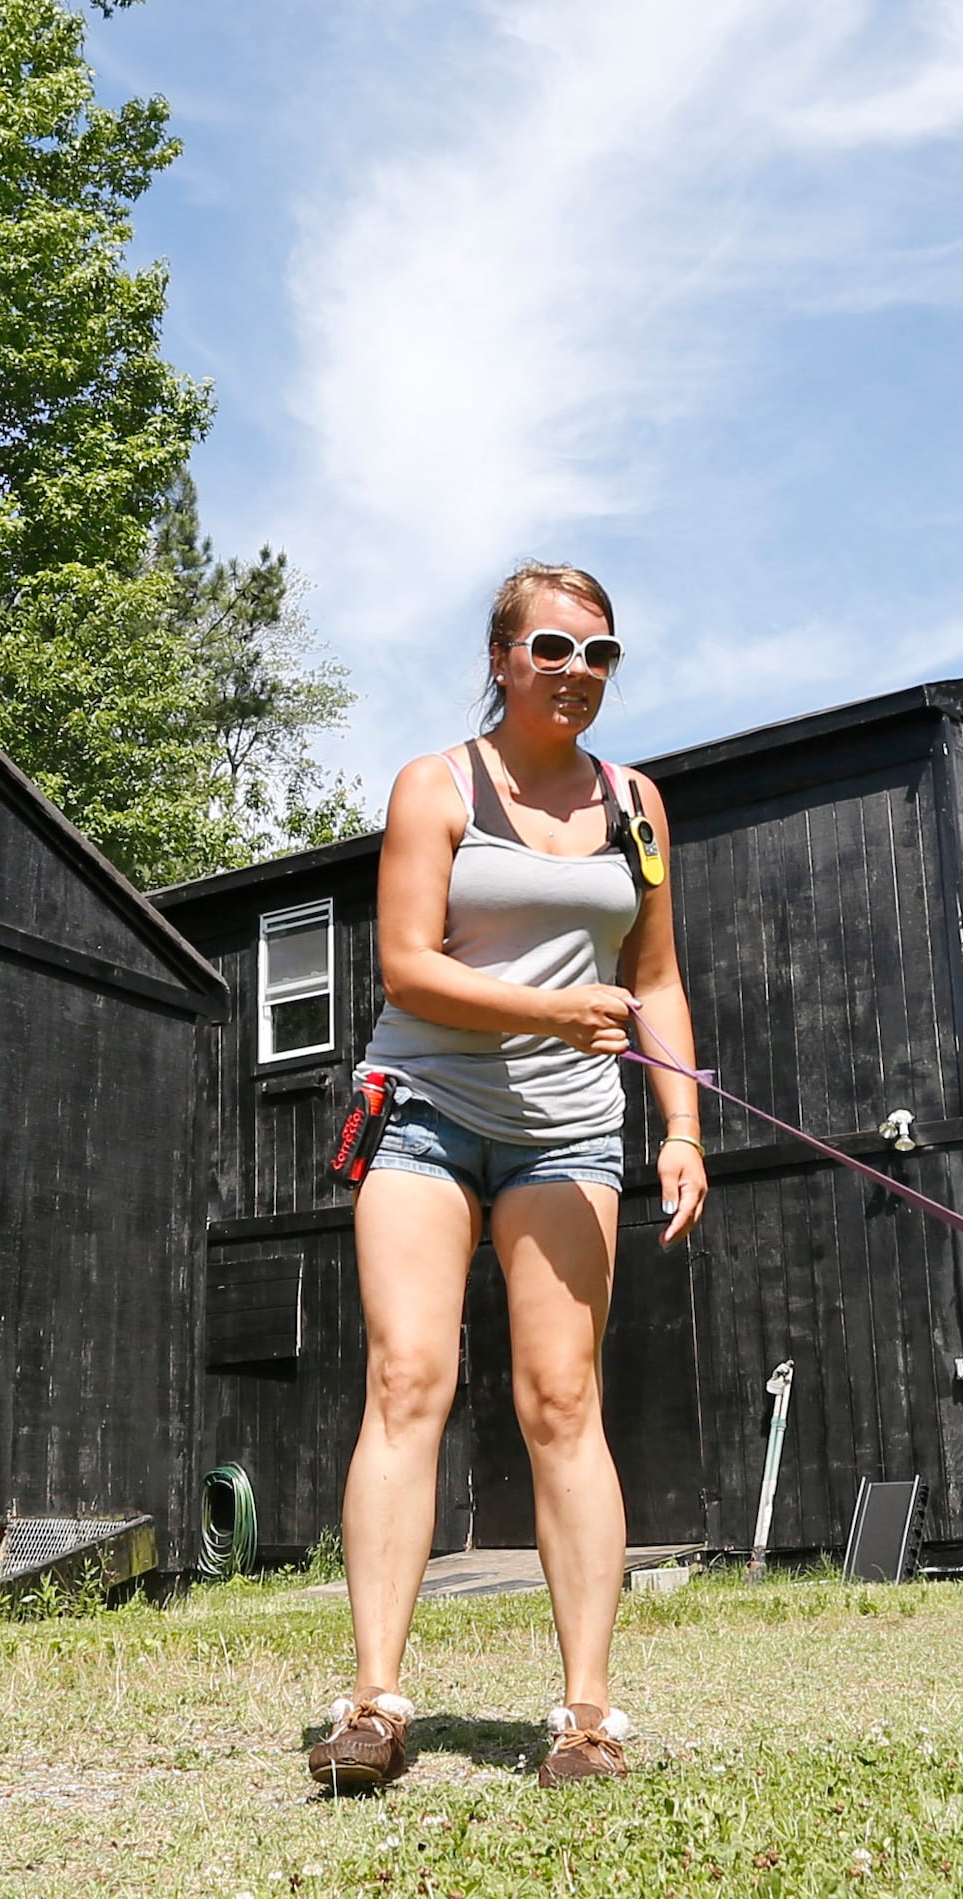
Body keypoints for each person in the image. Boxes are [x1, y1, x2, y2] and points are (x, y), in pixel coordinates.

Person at [305, 562, 709, 1796]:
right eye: (552, 648)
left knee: (560, 1405)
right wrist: (545, 1006)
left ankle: (586, 1719)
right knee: (409, 1379)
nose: (577, 673)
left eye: (600, 655)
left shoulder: (636, 803)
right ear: (501, 658)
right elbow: (408, 969)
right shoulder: (438, 785)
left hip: (570, 1136)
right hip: (424, 1110)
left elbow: (657, 981)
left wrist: (680, 1127)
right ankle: (373, 1703)